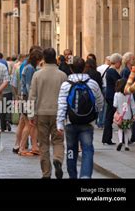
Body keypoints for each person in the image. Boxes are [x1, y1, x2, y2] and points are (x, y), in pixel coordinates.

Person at [57, 57, 104, 179]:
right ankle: (85, 176)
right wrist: (95, 113)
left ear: (71, 69)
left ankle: (73, 176)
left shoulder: (66, 85)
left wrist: (60, 124)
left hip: (70, 123)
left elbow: (62, 105)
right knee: (87, 149)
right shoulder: (92, 83)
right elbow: (100, 102)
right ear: (84, 68)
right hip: (87, 123)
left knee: (71, 150)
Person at [28, 48, 68, 178]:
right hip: (58, 113)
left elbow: (32, 96)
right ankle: (58, 159)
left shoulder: (37, 75)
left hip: (41, 113)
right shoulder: (62, 75)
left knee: (43, 143)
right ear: (55, 57)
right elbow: (66, 96)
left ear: (44, 58)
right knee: (58, 141)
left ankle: (46, 172)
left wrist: (30, 114)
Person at [18, 49, 43, 156]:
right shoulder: (29, 69)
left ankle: (34, 146)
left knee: (31, 124)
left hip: (26, 98)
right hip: (27, 98)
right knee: (28, 124)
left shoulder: (30, 67)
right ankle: (22, 148)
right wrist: (32, 99)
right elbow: (29, 86)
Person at [120, 52, 135, 144]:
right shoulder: (125, 70)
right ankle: (127, 137)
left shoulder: (131, 69)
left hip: (134, 94)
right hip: (129, 95)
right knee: (128, 116)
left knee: (134, 115)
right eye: (133, 59)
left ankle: (134, 136)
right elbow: (125, 83)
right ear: (128, 60)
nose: (134, 60)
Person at [102, 53, 122, 145]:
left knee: (108, 117)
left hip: (109, 95)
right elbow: (118, 82)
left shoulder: (110, 71)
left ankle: (106, 138)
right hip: (111, 96)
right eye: (120, 62)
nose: (120, 64)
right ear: (117, 62)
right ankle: (107, 138)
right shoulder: (112, 71)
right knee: (109, 117)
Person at [113, 78, 135, 151]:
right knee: (126, 130)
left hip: (120, 115)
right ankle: (126, 145)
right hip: (128, 115)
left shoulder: (116, 94)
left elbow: (115, 105)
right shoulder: (130, 94)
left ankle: (120, 142)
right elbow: (133, 105)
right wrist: (134, 114)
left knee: (120, 129)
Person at [96, 56, 111, 128]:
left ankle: (98, 121)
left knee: (100, 104)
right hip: (107, 87)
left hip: (101, 87)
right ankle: (103, 122)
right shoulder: (110, 68)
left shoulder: (98, 68)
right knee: (106, 105)